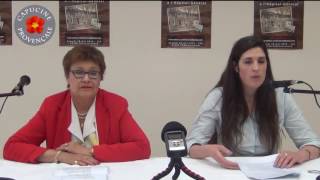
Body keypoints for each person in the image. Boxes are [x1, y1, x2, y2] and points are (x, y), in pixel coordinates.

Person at [186, 35, 320, 170]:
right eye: (248, 62)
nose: (256, 68)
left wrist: (301, 154)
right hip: (230, 171)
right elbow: (192, 146)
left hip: (269, 172)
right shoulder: (218, 97)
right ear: (236, 67)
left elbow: (312, 143)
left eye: (261, 61)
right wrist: (209, 151)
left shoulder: (280, 96)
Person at [3, 45, 151, 165]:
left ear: (101, 77)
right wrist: (59, 155)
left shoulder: (115, 104)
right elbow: (12, 147)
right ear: (67, 76)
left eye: (93, 73)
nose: (86, 79)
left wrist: (89, 151)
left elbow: (142, 147)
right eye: (79, 72)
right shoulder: (52, 105)